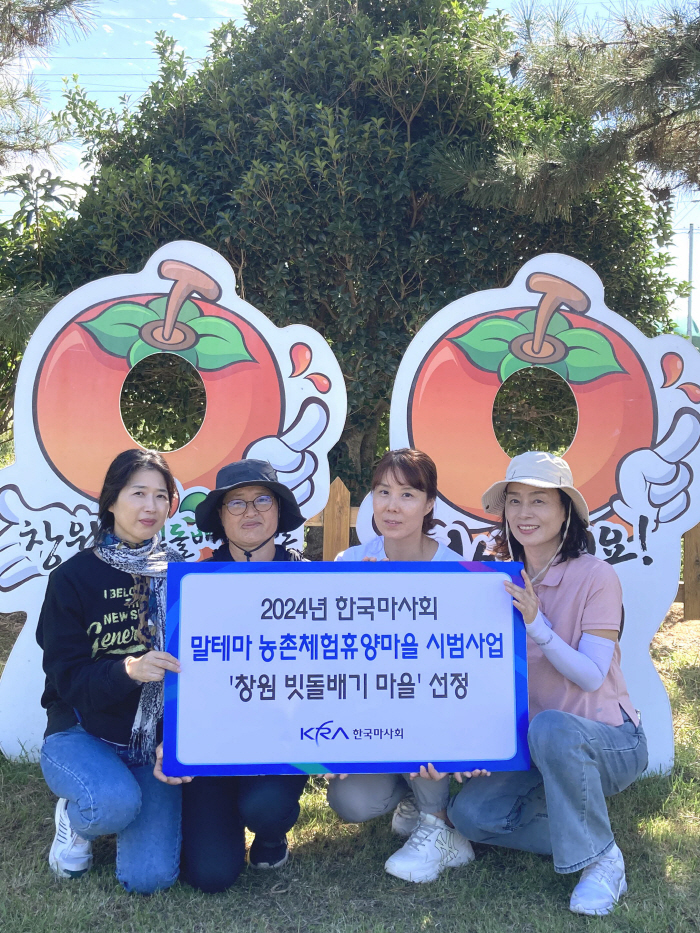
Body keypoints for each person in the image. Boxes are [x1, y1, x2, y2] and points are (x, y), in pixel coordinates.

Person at [447, 450, 648, 916]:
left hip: (608, 740)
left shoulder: (597, 576)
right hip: (530, 747)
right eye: (514, 501)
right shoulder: (496, 576)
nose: (523, 513)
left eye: (539, 501)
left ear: (566, 511)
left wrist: (538, 625)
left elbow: (591, 674)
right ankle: (587, 825)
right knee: (469, 816)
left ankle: (601, 860)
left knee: (553, 728)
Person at [36, 448, 186, 894]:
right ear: (111, 500)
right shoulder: (73, 578)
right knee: (114, 804)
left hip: (151, 744)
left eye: (161, 496)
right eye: (138, 493)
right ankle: (77, 818)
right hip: (81, 732)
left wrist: (177, 742)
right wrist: (129, 671)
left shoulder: (182, 575)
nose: (151, 507)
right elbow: (67, 680)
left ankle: (122, 799)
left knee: (149, 880)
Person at [327, 448, 477, 884]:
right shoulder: (349, 566)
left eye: (408, 494)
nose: (392, 506)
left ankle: (440, 826)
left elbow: (465, 667)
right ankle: (413, 796)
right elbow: (330, 657)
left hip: (434, 718)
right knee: (350, 802)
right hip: (372, 720)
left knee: (419, 711)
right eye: (383, 492)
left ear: (429, 504)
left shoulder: (458, 573)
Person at [170, 459, 309, 893]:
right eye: (236, 503)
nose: (251, 511)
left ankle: (270, 832)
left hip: (279, 738)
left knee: (266, 807)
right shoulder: (193, 582)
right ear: (220, 516)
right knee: (210, 875)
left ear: (279, 511)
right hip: (210, 742)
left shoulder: (312, 580)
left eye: (262, 499)